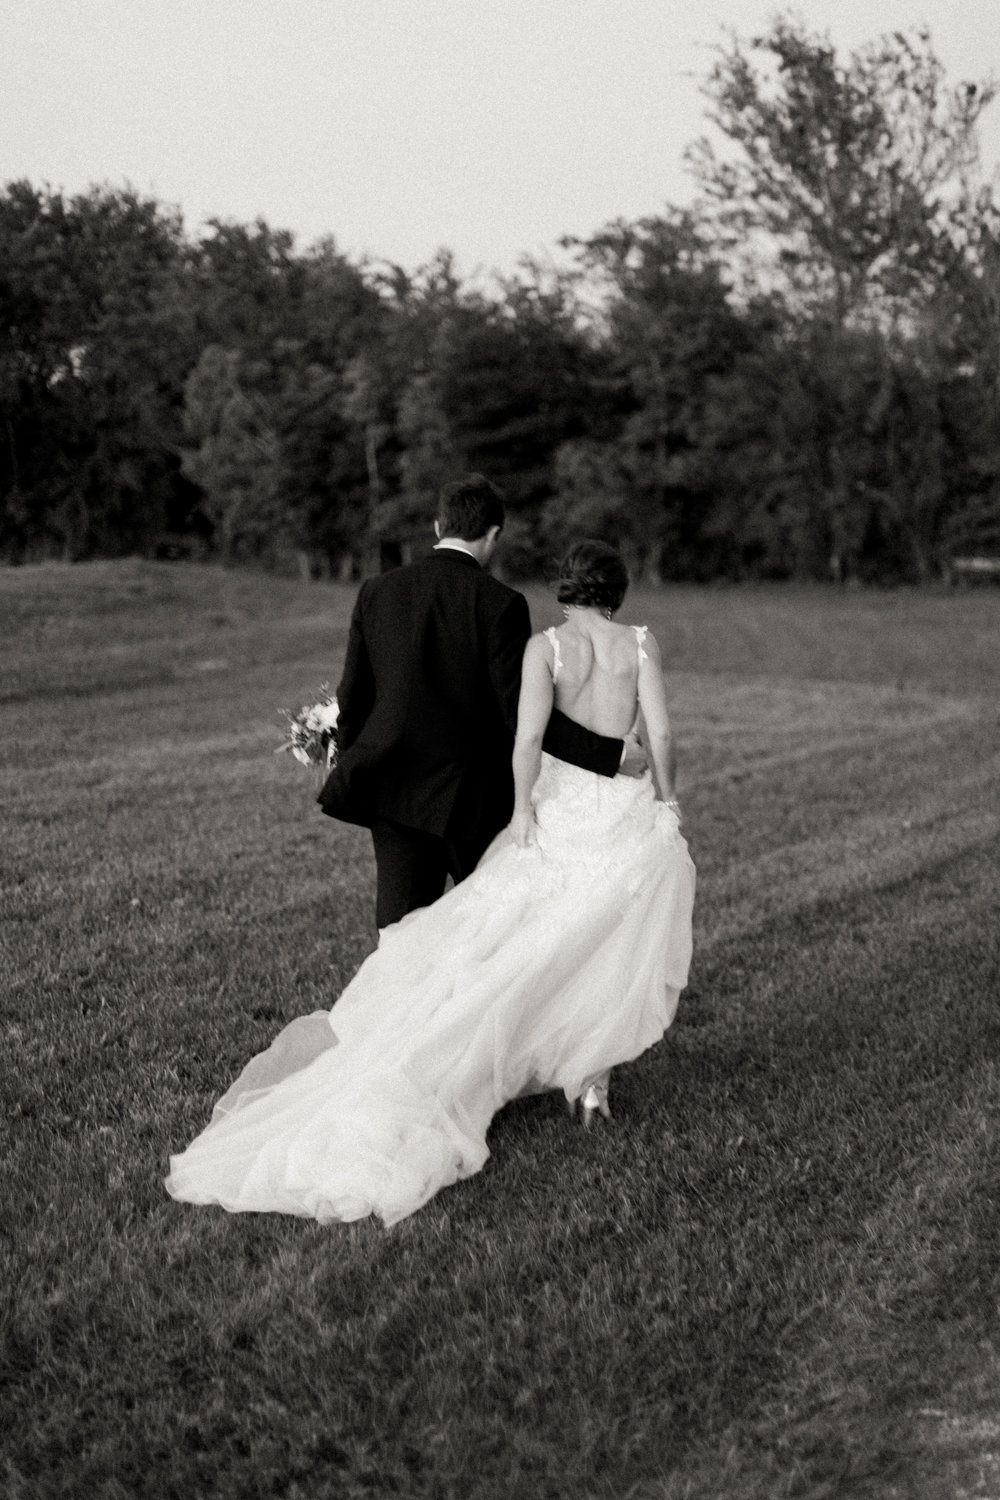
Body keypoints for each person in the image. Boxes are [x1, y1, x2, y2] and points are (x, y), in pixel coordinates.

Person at [165, 540, 695, 1227]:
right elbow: (662, 733)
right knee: (600, 942)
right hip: (623, 810)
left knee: (524, 940)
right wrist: (668, 798)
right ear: (618, 591)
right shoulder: (641, 644)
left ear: (565, 591)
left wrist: (520, 815)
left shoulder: (547, 649)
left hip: (561, 809)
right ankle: (590, 1084)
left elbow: (527, 741)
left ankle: (496, 1056)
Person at [317, 474, 630, 930]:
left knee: (400, 938)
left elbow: (353, 695)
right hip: (473, 800)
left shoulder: (377, 591)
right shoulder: (499, 603)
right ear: (494, 534)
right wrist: (611, 753)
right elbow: (520, 714)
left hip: (394, 790)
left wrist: (357, 762)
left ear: (438, 525)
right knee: (495, 932)